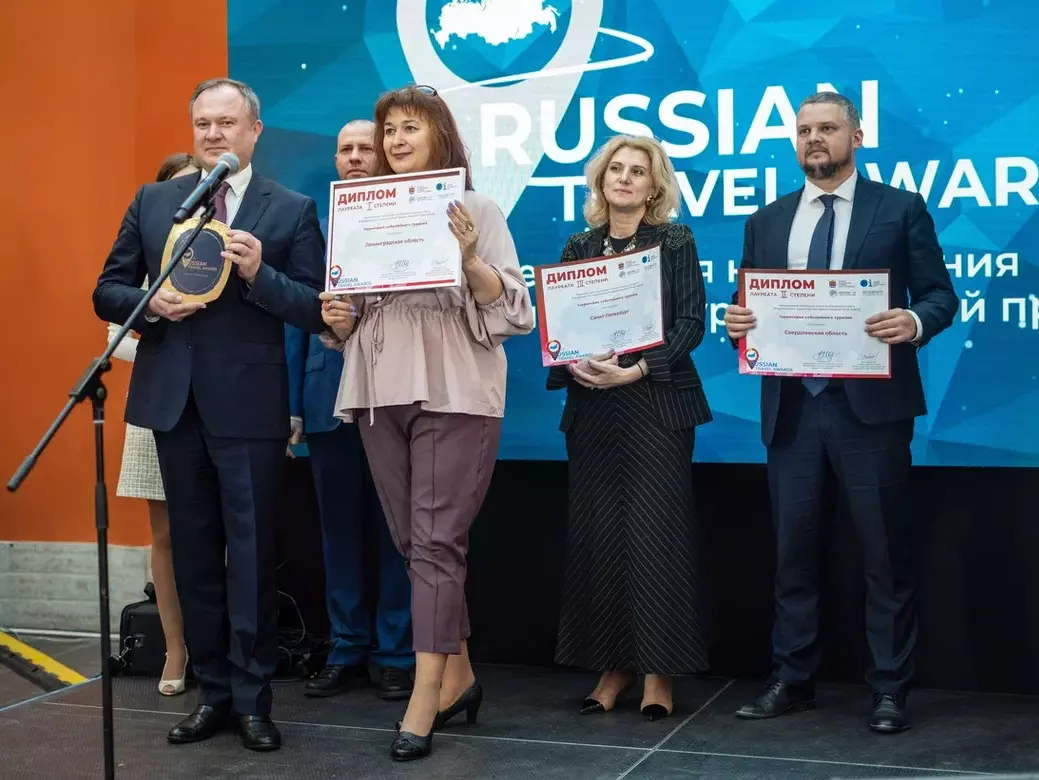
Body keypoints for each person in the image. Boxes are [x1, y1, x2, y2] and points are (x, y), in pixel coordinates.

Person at [93, 77, 328, 752]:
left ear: (254, 131)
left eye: (226, 122)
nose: (213, 133)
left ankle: (253, 701)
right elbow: (107, 289)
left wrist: (260, 275)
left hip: (249, 407)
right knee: (194, 556)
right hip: (174, 404)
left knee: (249, 558)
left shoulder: (289, 209)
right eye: (202, 123)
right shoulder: (156, 201)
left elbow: (314, 308)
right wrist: (149, 305)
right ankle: (213, 694)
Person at [724, 91, 957, 733]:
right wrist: (738, 323)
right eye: (804, 130)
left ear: (856, 135)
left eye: (827, 128)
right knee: (793, 554)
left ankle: (889, 688)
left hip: (871, 411)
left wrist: (913, 321)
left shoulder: (900, 208)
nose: (814, 139)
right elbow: (749, 307)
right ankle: (792, 679)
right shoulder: (766, 220)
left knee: (885, 555)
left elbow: (940, 295)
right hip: (793, 408)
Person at [318, 84, 535, 761]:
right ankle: (459, 677)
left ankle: (426, 695)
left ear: (440, 134)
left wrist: (469, 259)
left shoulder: (476, 208)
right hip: (379, 389)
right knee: (416, 546)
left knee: (437, 543)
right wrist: (339, 318)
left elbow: (515, 312)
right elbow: (353, 315)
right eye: (389, 131)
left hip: (455, 389)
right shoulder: (362, 211)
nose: (396, 141)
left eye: (410, 128)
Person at [547, 135, 713, 721]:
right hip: (594, 409)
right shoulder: (579, 246)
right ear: (601, 181)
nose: (624, 178)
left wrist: (638, 369)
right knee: (599, 539)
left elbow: (692, 322)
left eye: (637, 171)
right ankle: (612, 667)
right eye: (615, 169)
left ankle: (658, 673)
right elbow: (563, 327)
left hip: (656, 406)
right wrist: (572, 362)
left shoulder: (675, 240)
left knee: (655, 539)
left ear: (653, 186)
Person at [284, 119, 415, 701]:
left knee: (396, 531)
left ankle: (396, 653)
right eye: (346, 149)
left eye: (366, 147)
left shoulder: (409, 223)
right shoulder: (310, 231)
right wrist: (292, 405)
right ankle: (344, 647)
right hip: (326, 399)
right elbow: (295, 319)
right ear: (336, 160)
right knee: (338, 534)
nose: (356, 157)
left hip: (395, 396)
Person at [106, 152, 197, 698]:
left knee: (219, 536)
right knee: (163, 537)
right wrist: (158, 319)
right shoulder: (149, 251)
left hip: (216, 404)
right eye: (177, 189)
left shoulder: (223, 248)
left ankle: (217, 649)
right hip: (157, 402)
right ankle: (176, 648)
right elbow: (113, 339)